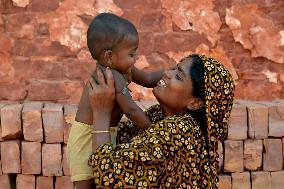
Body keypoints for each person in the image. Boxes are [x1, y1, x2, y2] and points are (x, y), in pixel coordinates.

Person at [83, 54, 235, 188]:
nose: (167, 73)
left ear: (195, 103)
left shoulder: (179, 130)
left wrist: (101, 112)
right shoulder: (159, 115)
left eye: (178, 76)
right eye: (174, 69)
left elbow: (108, 174)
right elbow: (121, 140)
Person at [67, 13, 163, 188]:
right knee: (86, 184)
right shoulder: (111, 76)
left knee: (101, 180)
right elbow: (131, 110)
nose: (135, 59)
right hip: (85, 139)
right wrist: (154, 132)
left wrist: (172, 71)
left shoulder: (122, 68)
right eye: (132, 54)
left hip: (104, 132)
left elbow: (149, 79)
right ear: (109, 57)